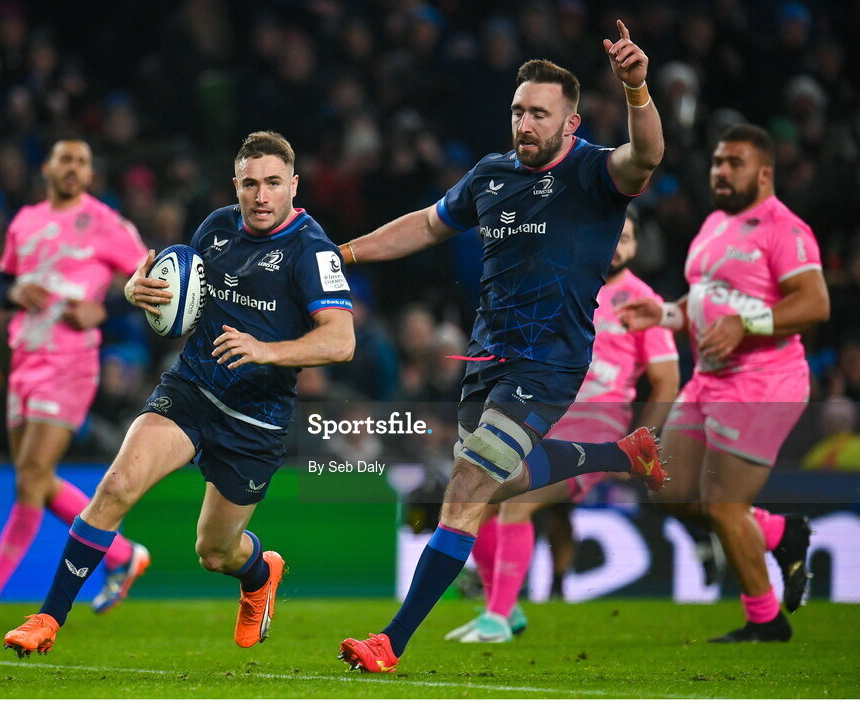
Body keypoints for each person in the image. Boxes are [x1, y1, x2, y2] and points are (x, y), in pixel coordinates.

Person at [337, 21, 666, 673]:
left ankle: (391, 641)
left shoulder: (593, 173)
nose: (525, 122)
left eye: (539, 113)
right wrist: (345, 252)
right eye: (518, 110)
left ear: (570, 123)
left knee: (465, 483)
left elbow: (647, 156)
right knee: (499, 482)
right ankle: (618, 453)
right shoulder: (490, 176)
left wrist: (636, 89)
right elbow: (426, 226)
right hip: (487, 360)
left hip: (549, 363)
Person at [1, 131, 355, 656]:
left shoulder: (311, 249)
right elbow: (177, 300)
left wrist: (266, 350)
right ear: (235, 185)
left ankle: (260, 573)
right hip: (193, 387)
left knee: (214, 552)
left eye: (273, 184)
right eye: (251, 184)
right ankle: (48, 618)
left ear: (293, 186)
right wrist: (134, 292)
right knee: (117, 485)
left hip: (255, 417)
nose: (261, 196)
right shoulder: (215, 228)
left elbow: (341, 340)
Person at [621, 123, 830, 643]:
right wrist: (666, 313)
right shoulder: (714, 223)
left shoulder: (785, 229)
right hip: (709, 381)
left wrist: (748, 324)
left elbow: (815, 303)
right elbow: (705, 299)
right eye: (717, 161)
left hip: (763, 383)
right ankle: (781, 532)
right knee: (665, 488)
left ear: (763, 173)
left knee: (722, 505)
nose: (720, 171)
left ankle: (765, 621)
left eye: (733, 163)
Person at [0, 139, 151, 626]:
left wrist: (108, 307)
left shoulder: (105, 222)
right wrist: (13, 289)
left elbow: (154, 276)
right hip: (25, 358)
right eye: (66, 159)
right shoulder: (25, 221)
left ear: (91, 172)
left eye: (83, 160)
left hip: (71, 363)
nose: (74, 167)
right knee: (32, 478)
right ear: (47, 168)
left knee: (32, 475)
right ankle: (122, 556)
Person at [445, 210, 680, 643]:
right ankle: (504, 608)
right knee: (472, 493)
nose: (617, 246)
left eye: (626, 239)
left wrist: (639, 442)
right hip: (541, 416)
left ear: (636, 247)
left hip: (596, 426)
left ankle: (497, 619)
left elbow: (666, 378)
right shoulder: (564, 287)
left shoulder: (642, 301)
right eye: (612, 236)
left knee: (518, 504)